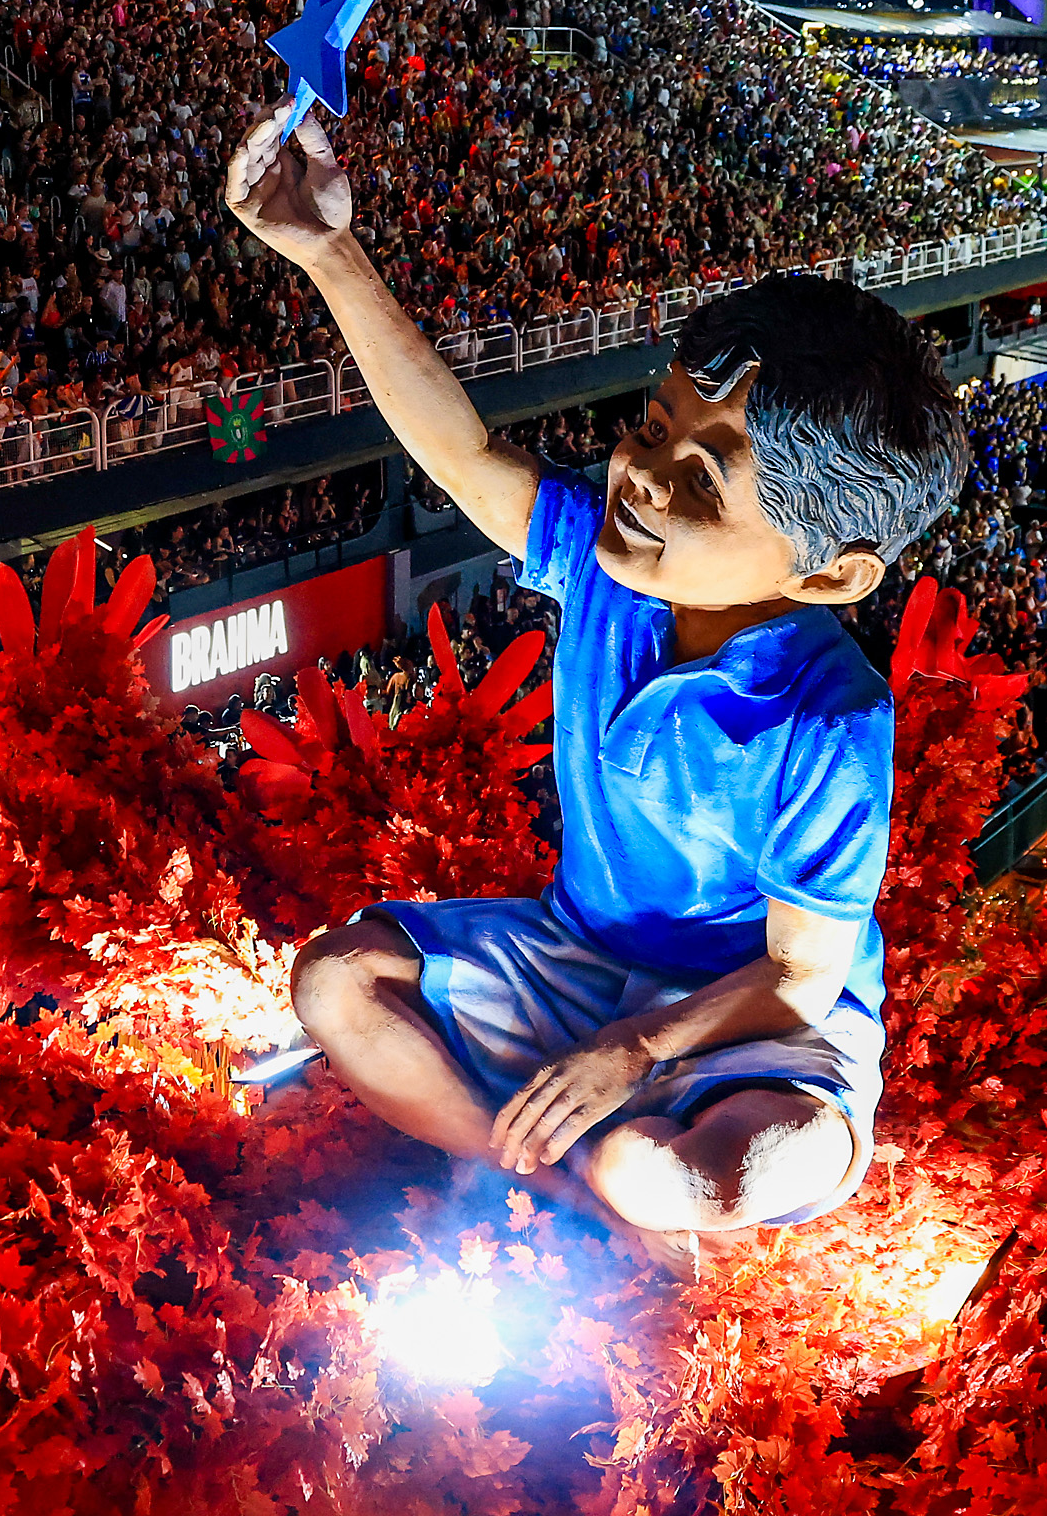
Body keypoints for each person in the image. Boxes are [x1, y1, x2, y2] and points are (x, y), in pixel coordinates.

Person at [244, 111, 967, 1270]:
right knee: (337, 982)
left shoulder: (829, 717)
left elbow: (796, 973)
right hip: (572, 962)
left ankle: (606, 1169)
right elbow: (460, 451)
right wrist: (330, 253)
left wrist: (632, 1055)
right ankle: (526, 1169)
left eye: (700, 481)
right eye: (651, 427)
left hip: (754, 1029)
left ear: (830, 571)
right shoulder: (602, 569)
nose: (636, 476)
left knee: (675, 1166)